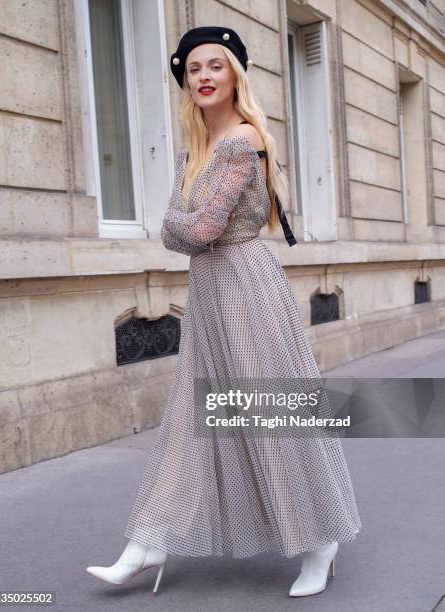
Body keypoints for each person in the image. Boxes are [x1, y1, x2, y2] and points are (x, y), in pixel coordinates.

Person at [86, 25, 362, 598]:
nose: (205, 75)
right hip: (210, 293)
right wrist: (177, 227)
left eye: (217, 64)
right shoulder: (197, 149)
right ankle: (149, 542)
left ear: (237, 71)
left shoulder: (243, 141)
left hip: (246, 289)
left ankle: (319, 541)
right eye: (194, 68)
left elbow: (195, 228)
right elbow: (180, 229)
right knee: (191, 421)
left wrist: (175, 226)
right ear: (184, 81)